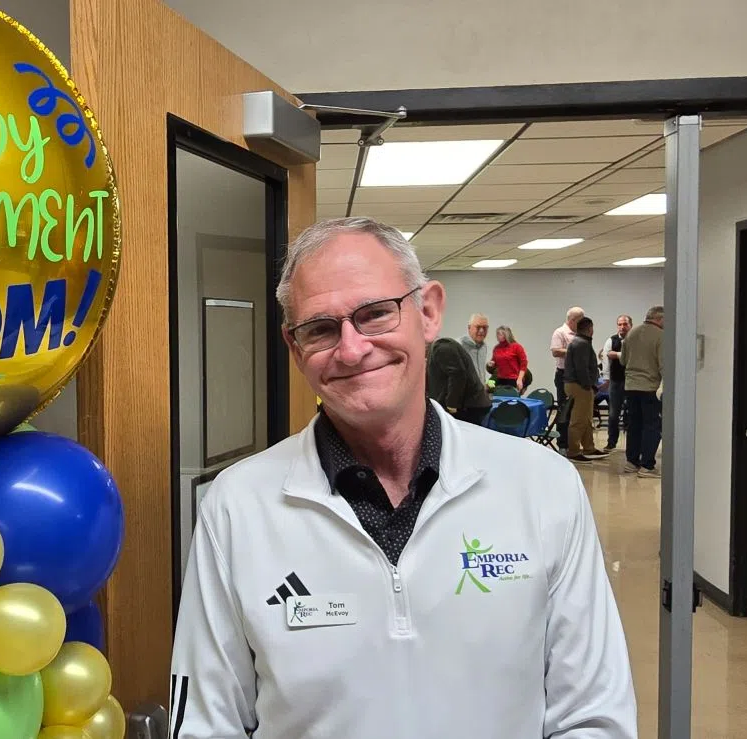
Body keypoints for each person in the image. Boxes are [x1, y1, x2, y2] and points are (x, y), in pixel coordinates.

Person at [169, 217, 635, 739]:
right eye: (320, 328)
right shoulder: (238, 507)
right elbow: (205, 725)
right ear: (295, 348)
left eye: (374, 314)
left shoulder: (542, 486)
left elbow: (594, 716)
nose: (350, 349)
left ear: (429, 311)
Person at [621, 305, 665, 477]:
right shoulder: (661, 336)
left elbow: (623, 360)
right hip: (650, 388)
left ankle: (631, 462)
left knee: (634, 425)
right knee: (652, 426)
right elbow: (664, 364)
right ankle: (647, 465)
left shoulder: (631, 333)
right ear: (660, 319)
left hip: (630, 386)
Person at [563, 316, 606, 461]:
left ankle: (589, 447)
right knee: (579, 420)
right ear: (590, 329)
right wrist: (589, 385)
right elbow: (582, 368)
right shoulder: (581, 344)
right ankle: (574, 451)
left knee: (587, 418)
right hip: (579, 385)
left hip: (578, 385)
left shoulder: (580, 342)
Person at [427, 336, 491, 424]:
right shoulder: (440, 348)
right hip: (468, 404)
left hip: (469, 406)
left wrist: (451, 405)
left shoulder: (441, 347)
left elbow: (457, 374)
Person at [549, 307, 584, 450]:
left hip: (578, 377)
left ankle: (574, 444)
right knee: (565, 411)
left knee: (577, 412)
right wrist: (574, 350)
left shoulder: (580, 334)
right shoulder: (560, 332)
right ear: (572, 320)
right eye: (581, 320)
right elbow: (555, 351)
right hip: (564, 376)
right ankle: (562, 444)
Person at [600, 314, 632, 449]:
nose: (622, 327)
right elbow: (606, 360)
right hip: (616, 381)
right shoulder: (611, 340)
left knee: (631, 414)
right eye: (620, 324)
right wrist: (606, 379)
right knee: (613, 414)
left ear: (630, 325)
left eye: (625, 324)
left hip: (632, 382)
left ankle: (632, 445)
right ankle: (611, 443)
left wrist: (617, 354)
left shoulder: (635, 340)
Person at [459, 313, 489, 382]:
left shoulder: (484, 347)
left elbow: (481, 371)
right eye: (478, 327)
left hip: (480, 391)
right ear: (469, 328)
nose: (482, 331)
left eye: (485, 327)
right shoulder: (459, 345)